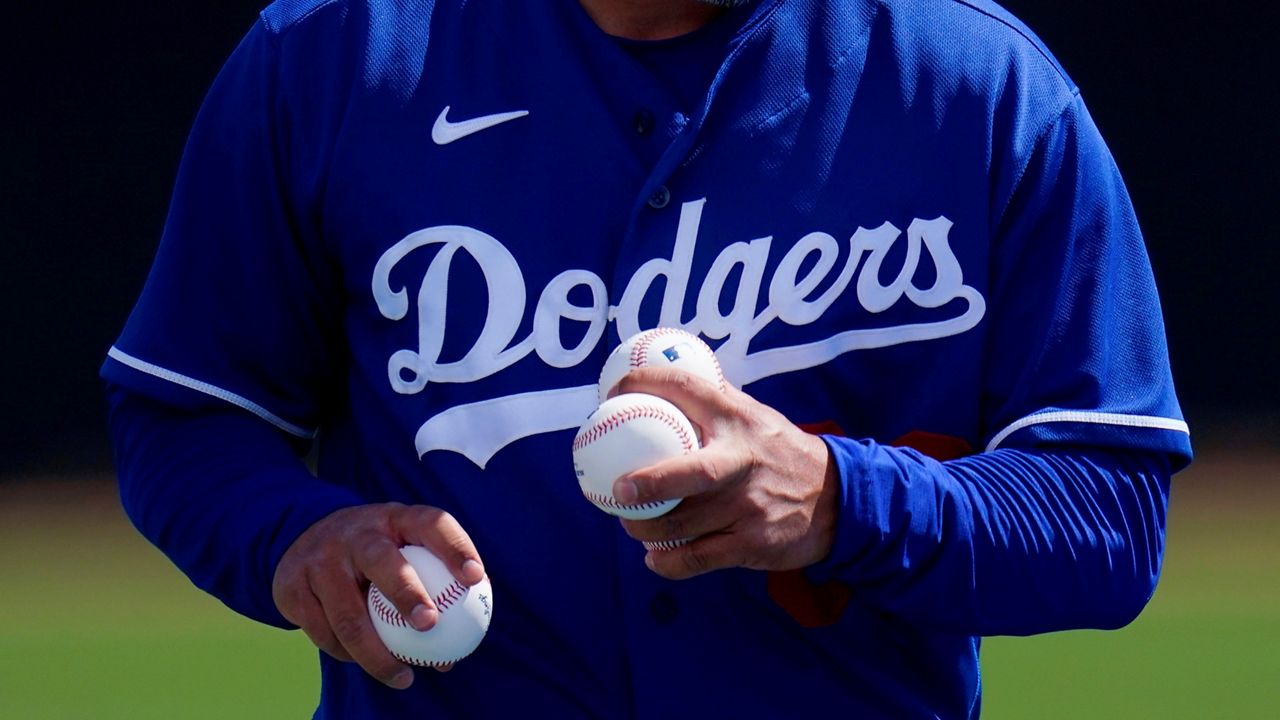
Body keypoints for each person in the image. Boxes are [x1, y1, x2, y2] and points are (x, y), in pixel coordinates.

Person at [103, 0, 1192, 716]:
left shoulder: (974, 85)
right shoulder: (333, 59)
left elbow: (1106, 515)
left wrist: (841, 501)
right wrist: (293, 535)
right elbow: (185, 416)